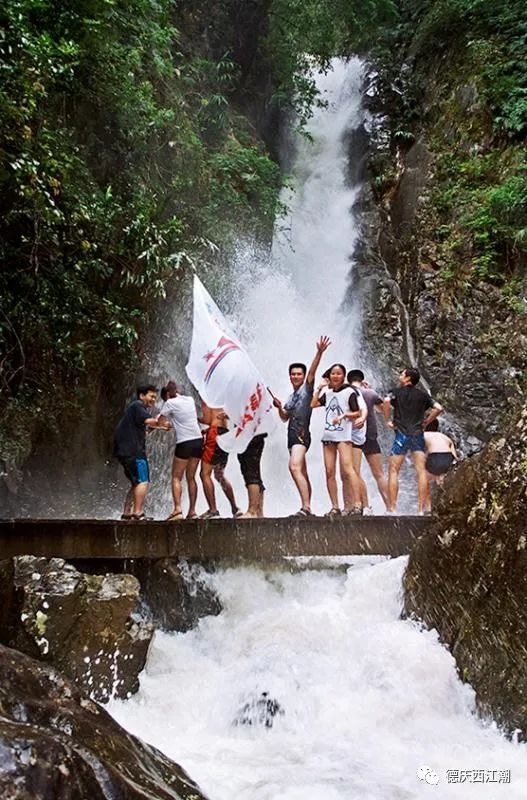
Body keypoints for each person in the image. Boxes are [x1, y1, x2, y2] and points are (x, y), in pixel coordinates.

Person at [272, 335, 331, 517]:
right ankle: (307, 507)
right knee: (302, 471)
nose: (296, 376)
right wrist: (279, 407)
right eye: (293, 374)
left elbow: (313, 371)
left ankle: (305, 508)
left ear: (303, 376)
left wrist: (319, 352)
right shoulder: (290, 397)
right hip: (291, 435)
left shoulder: (307, 389)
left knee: (294, 467)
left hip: (301, 434)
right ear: (289, 376)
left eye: (299, 374)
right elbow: (284, 418)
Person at [383, 367, 444, 515]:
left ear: (408, 378)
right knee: (421, 471)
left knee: (393, 471)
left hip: (401, 435)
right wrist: (426, 422)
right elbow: (438, 408)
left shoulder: (395, 392)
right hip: (417, 435)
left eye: (402, 374)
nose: (400, 376)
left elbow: (385, 401)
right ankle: (421, 510)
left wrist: (387, 420)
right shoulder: (423, 395)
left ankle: (392, 509)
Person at [311, 363, 367, 516]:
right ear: (329, 377)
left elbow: (358, 412)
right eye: (333, 374)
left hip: (343, 436)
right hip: (328, 436)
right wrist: (319, 388)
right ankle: (335, 506)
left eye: (338, 373)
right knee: (329, 471)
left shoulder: (350, 392)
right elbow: (313, 404)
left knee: (348, 470)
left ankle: (357, 504)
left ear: (343, 376)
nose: (335, 376)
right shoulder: (328, 393)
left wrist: (344, 416)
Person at [113, 384, 162, 520]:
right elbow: (150, 421)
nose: (154, 400)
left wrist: (155, 426)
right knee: (143, 481)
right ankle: (138, 513)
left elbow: (145, 429)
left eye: (155, 397)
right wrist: (161, 420)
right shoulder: (138, 406)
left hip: (125, 451)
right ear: (142, 395)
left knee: (136, 482)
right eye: (151, 396)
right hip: (134, 452)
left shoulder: (134, 410)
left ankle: (127, 512)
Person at [157, 380, 203, 521]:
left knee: (176, 476)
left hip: (184, 442)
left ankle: (177, 510)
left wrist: (166, 425)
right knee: (191, 477)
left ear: (167, 395)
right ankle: (193, 512)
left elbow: (160, 422)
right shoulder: (189, 399)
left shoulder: (169, 403)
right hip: (198, 440)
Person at [347, 370, 389, 512]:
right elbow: (382, 409)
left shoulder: (347, 392)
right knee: (379, 474)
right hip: (371, 435)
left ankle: (365, 506)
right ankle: (391, 508)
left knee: (355, 472)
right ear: (362, 379)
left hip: (354, 436)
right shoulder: (370, 393)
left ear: (348, 380)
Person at [199, 402, 241, 519]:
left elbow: (208, 418)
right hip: (226, 434)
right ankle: (235, 508)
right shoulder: (223, 396)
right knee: (219, 475)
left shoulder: (207, 395)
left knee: (204, 474)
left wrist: (194, 418)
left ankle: (213, 510)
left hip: (215, 434)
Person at [424, 418, 459, 511]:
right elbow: (455, 457)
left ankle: (428, 508)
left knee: (423, 479)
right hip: (448, 457)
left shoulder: (423, 435)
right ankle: (448, 503)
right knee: (442, 478)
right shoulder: (445, 437)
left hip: (435, 456)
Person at [237, 433, 267, 518]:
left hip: (249, 436)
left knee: (251, 473)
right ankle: (258, 511)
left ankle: (252, 511)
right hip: (253, 436)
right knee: (255, 473)